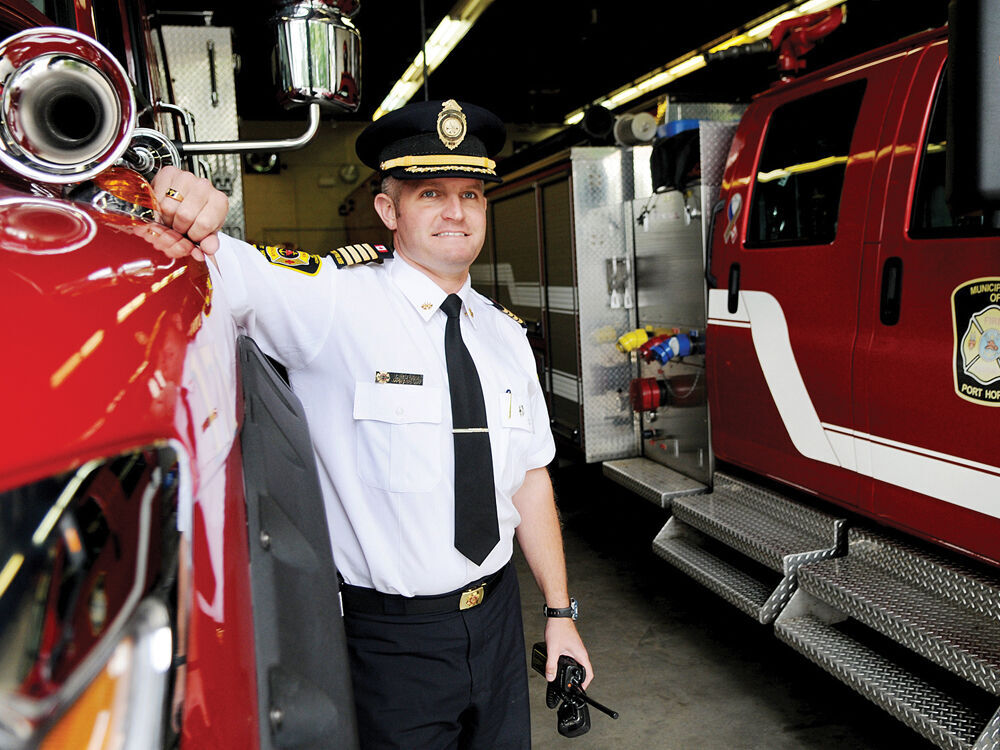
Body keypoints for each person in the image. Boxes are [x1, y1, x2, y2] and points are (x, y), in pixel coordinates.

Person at [153, 98, 592, 749]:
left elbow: (529, 477)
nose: (455, 212)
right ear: (388, 210)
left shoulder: (505, 337)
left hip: (498, 622)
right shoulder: (332, 302)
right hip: (392, 643)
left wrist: (559, 613)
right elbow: (216, 260)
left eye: (471, 194)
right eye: (431, 194)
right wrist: (173, 191)